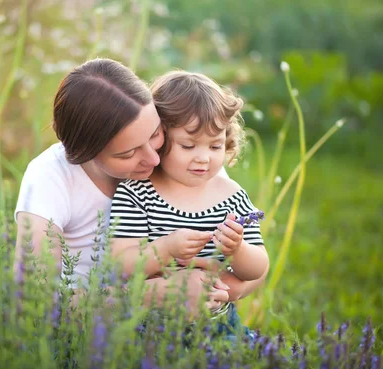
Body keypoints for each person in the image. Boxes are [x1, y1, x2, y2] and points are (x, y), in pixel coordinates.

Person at [14, 58, 264, 316]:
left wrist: (213, 289)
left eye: (155, 133)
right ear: (84, 153)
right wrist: (155, 294)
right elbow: (34, 299)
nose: (154, 159)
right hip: (90, 327)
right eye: (128, 153)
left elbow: (253, 270)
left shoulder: (188, 160)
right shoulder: (50, 178)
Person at [109, 70, 269, 326]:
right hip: (149, 325)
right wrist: (166, 248)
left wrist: (237, 249)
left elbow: (257, 268)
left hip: (217, 324)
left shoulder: (231, 196)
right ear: (158, 138)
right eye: (188, 146)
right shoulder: (137, 193)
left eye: (215, 146)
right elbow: (120, 266)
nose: (203, 157)